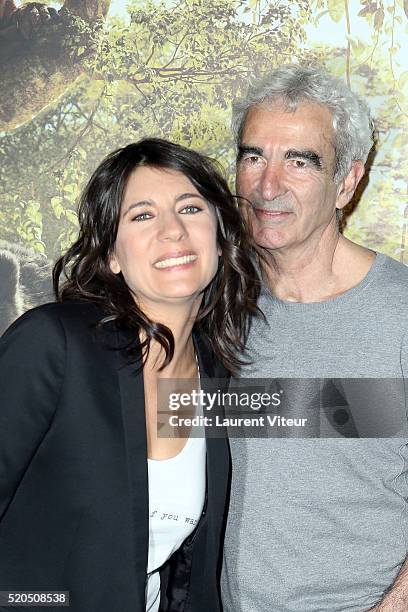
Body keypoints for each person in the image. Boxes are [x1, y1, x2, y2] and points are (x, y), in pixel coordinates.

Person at [0, 138, 260, 612]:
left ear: (221, 239)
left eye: (190, 208)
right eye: (142, 215)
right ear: (112, 256)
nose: (173, 231)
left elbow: (190, 572)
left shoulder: (217, 378)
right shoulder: (53, 345)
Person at [221, 65, 408, 611]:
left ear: (347, 182)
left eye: (299, 161)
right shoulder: (214, 309)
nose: (267, 184)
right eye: (253, 156)